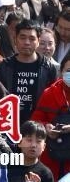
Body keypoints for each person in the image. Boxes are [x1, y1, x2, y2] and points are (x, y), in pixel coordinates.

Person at [0, 19, 59, 124]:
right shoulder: (4, 67)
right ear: (15, 39)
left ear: (38, 41)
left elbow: (52, 101)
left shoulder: (48, 68)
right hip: (8, 124)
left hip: (38, 125)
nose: (27, 42)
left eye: (32, 38)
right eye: (22, 37)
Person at [31, 52, 70, 180]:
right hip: (52, 154)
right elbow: (35, 121)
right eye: (68, 70)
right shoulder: (50, 92)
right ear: (61, 71)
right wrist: (46, 127)